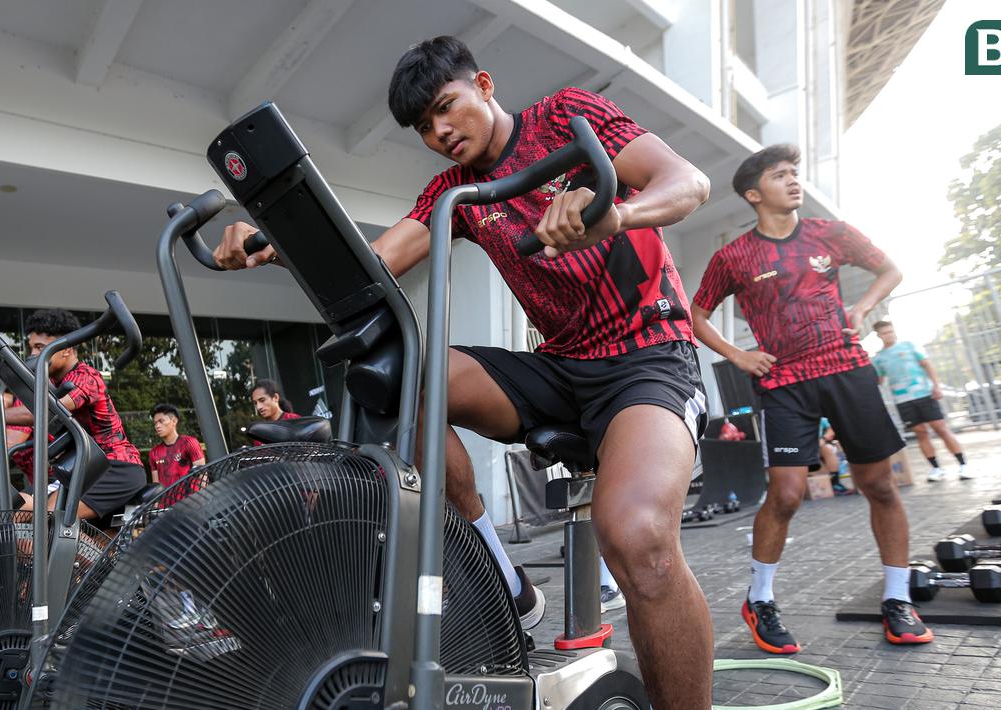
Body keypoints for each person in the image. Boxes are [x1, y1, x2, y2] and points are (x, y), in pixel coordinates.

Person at [216, 36, 713, 707]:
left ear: (482, 84)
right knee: (406, 380)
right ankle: (503, 580)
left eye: (446, 108)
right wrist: (272, 246)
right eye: (424, 127)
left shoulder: (565, 118)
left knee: (637, 538)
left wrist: (615, 215)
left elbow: (687, 183)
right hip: (562, 367)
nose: (440, 131)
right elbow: (373, 265)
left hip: (647, 357)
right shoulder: (456, 191)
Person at [690, 144, 932, 653]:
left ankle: (897, 598)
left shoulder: (830, 233)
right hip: (784, 382)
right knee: (786, 494)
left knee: (879, 484)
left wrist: (863, 306)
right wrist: (737, 355)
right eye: (781, 176)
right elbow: (697, 314)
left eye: (795, 173)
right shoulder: (734, 257)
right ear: (754, 194)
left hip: (847, 368)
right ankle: (760, 600)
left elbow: (890, 268)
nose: (794, 181)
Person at [0, 309, 146, 522]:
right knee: (12, 516)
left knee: (47, 523)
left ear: (66, 349)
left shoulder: (86, 376)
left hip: (115, 468)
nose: (33, 355)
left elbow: (46, 412)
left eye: (40, 348)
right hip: (80, 470)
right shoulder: (50, 384)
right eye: (32, 347)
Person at [872, 320, 971, 482]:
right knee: (921, 433)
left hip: (925, 394)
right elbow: (879, 381)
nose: (889, 335)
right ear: (879, 336)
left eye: (891, 331)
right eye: (885, 333)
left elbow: (927, 365)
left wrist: (936, 386)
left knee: (941, 428)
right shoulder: (879, 358)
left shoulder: (909, 346)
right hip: (903, 400)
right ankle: (936, 469)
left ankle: (963, 465)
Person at [149, 403, 206, 488]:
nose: (157, 426)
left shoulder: (189, 443)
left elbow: (202, 477)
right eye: (155, 423)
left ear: (174, 421)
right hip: (166, 500)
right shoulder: (154, 453)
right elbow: (156, 486)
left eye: (161, 421)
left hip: (191, 499)